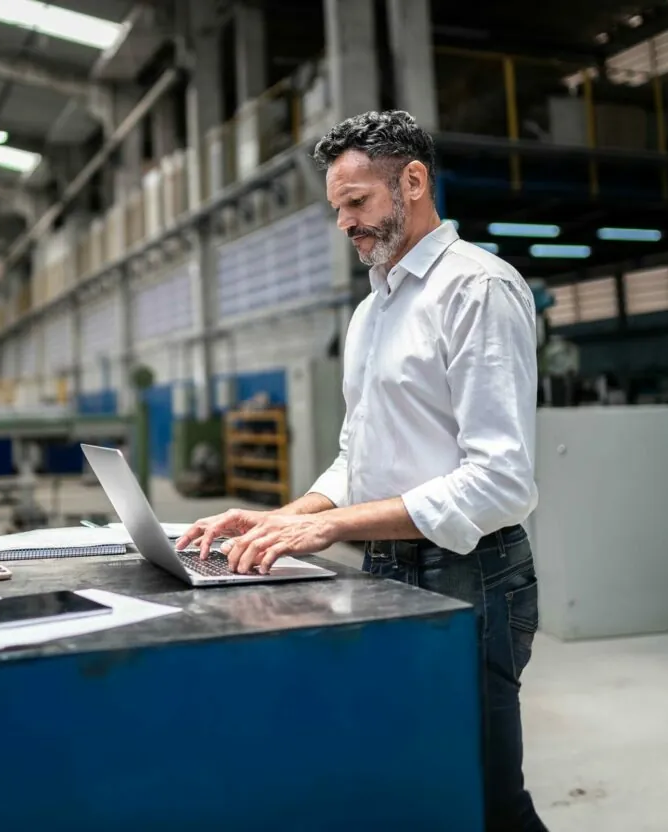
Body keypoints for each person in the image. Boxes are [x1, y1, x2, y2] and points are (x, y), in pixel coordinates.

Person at [177, 110, 547, 831]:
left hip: (470, 574)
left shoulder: (476, 289)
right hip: (388, 567)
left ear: (412, 182)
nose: (344, 223)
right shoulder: (374, 310)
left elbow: (501, 480)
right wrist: (286, 517)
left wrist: (331, 529)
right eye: (336, 209)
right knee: (415, 781)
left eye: (357, 203)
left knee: (485, 796)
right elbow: (360, 457)